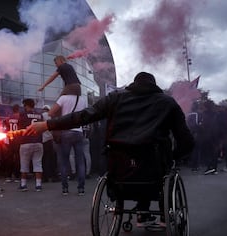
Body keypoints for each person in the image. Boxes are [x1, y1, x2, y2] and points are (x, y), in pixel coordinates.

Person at [27, 72, 194, 226]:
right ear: (154, 85)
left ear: (133, 84)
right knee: (155, 166)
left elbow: (84, 116)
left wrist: (49, 124)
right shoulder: (167, 103)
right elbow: (186, 140)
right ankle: (162, 214)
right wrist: (174, 156)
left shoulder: (116, 98)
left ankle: (141, 213)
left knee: (136, 164)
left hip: (119, 163)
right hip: (155, 165)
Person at [17, 99, 44, 192]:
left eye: (24, 105)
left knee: (24, 164)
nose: (24, 107)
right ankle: (38, 185)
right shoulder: (40, 115)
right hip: (38, 142)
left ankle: (23, 184)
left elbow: (19, 128)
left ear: (27, 105)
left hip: (26, 142)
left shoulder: (23, 115)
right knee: (38, 163)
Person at [3, 104, 21, 183]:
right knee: (17, 158)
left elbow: (5, 130)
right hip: (18, 140)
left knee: (9, 158)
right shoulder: (20, 117)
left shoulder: (8, 118)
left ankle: (8, 176)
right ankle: (17, 176)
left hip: (9, 140)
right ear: (18, 110)